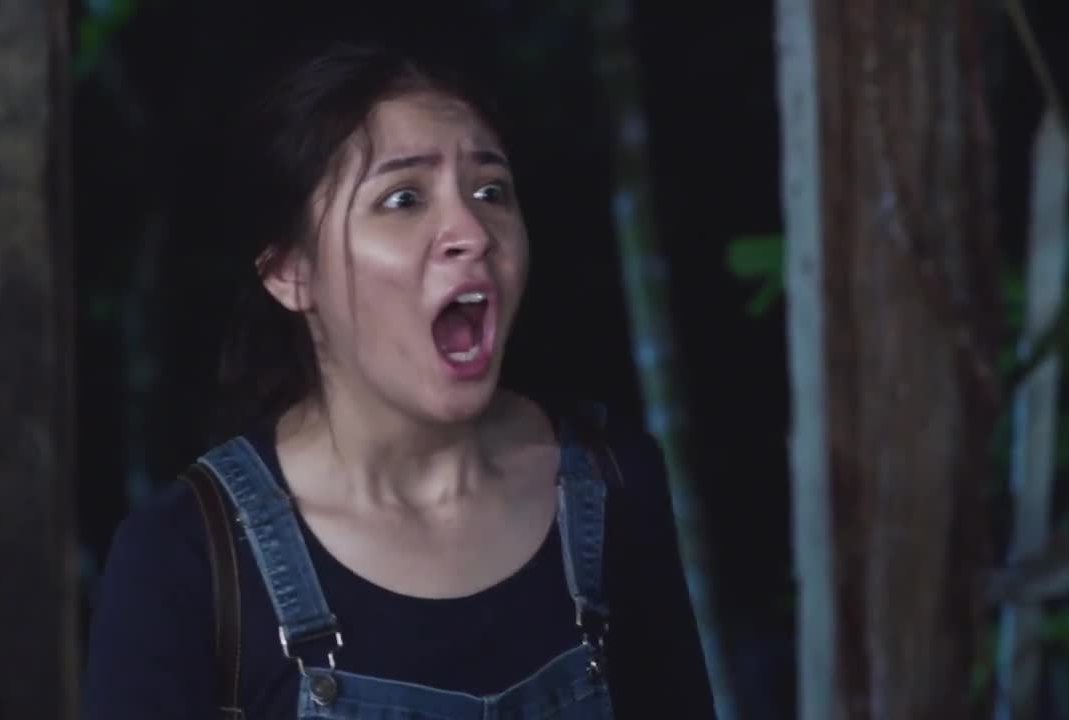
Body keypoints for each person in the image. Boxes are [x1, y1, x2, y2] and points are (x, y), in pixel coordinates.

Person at [81, 36, 717, 720]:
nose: (472, 230)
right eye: (404, 198)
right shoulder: (181, 559)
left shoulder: (611, 481)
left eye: (490, 191)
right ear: (291, 272)